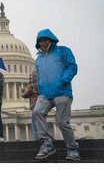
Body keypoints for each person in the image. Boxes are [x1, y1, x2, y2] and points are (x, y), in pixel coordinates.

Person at [33, 28, 80, 161]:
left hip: (62, 91)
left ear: (51, 40)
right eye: (40, 41)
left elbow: (72, 66)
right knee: (37, 112)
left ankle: (72, 149)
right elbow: (39, 75)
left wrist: (64, 79)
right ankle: (47, 144)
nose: (43, 43)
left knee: (62, 122)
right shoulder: (38, 59)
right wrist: (41, 89)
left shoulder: (63, 51)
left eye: (45, 40)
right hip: (45, 94)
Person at [20, 71, 39, 141]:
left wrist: (22, 92)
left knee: (34, 123)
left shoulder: (32, 86)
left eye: (31, 78)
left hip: (35, 105)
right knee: (41, 122)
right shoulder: (41, 84)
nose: (30, 80)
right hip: (42, 105)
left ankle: (36, 138)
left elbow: (25, 95)